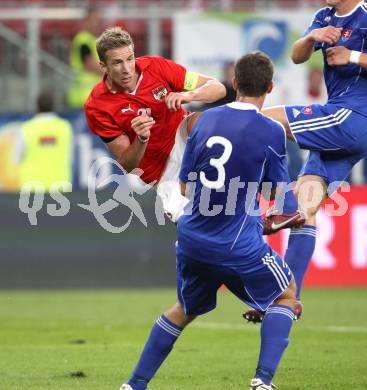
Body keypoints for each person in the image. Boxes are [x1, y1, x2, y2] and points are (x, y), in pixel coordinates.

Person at [120, 52, 297, 390]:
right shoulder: (272, 130)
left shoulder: (202, 121)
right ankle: (262, 380)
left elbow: (184, 185)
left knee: (184, 309)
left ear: (234, 83)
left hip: (192, 238)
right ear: (270, 87)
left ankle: (134, 384)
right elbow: (278, 193)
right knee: (287, 296)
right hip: (235, 242)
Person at [244, 0, 367, 323]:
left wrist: (353, 56)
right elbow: (297, 56)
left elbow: (349, 58)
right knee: (305, 208)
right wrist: (312, 37)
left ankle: (275, 198)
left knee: (255, 119)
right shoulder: (324, 16)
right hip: (340, 119)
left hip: (352, 115)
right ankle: (287, 299)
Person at [85, 26, 226, 222]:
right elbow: (127, 164)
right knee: (195, 228)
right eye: (117, 63)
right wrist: (141, 138)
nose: (126, 69)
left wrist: (187, 95)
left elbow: (217, 88)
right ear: (103, 66)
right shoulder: (97, 105)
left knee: (203, 121)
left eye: (130, 59)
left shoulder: (156, 67)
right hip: (163, 173)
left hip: (184, 135)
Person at [14, 91, 73, 191]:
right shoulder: (65, 127)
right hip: (60, 189)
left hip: (32, 189)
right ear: (54, 107)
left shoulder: (26, 129)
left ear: (36, 107)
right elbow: (71, 156)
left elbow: (16, 159)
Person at [68, 7, 103, 108]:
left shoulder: (93, 40)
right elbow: (91, 64)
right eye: (93, 20)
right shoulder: (83, 40)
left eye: (98, 21)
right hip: (84, 96)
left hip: (92, 96)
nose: (96, 24)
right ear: (86, 21)